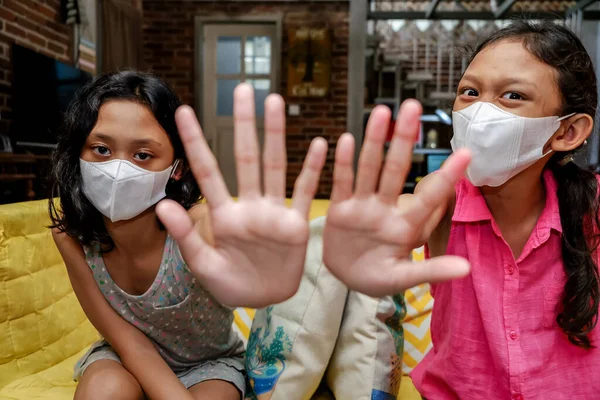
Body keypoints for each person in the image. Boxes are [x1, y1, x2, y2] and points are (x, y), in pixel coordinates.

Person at [322, 21, 600, 399]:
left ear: (568, 131)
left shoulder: (592, 208)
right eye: (469, 92)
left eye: (512, 96)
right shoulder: (444, 197)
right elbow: (414, 211)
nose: (479, 113)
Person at [48, 71, 327, 400]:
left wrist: (255, 254)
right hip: (123, 357)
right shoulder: (71, 238)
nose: (118, 170)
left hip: (210, 364)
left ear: (177, 167)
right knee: (102, 391)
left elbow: (215, 230)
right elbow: (128, 341)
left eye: (142, 155)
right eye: (101, 149)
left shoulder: (193, 226)